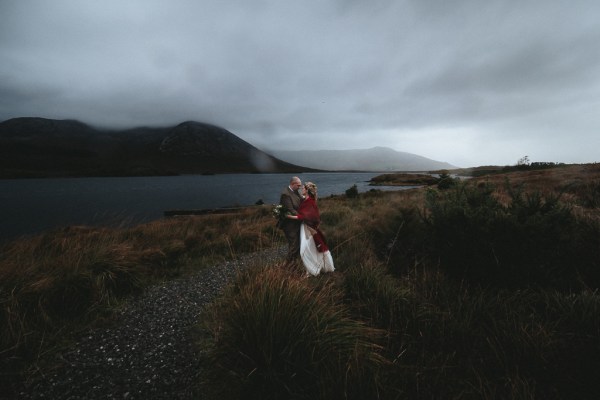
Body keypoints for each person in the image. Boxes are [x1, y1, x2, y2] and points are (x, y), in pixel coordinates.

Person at [286, 182, 335, 276]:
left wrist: (288, 216)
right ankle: (310, 270)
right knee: (310, 249)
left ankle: (314, 270)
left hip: (308, 228)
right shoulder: (305, 200)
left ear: (307, 190)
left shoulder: (310, 202)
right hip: (304, 228)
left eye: (303, 188)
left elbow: (304, 216)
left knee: (305, 250)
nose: (302, 189)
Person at [279, 176, 303, 263]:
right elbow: (291, 210)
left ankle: (294, 263)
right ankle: (288, 265)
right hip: (289, 225)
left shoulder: (296, 191)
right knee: (294, 245)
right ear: (293, 184)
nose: (300, 187)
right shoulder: (285, 194)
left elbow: (302, 200)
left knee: (298, 244)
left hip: (297, 222)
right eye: (298, 185)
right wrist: (304, 217)